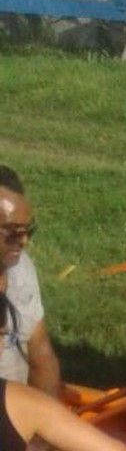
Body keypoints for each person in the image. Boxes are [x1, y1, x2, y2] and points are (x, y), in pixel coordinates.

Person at [0, 166, 61, 396]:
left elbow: (41, 356)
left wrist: (49, 425)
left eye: (28, 231)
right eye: (13, 232)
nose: (24, 241)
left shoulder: (21, 268)